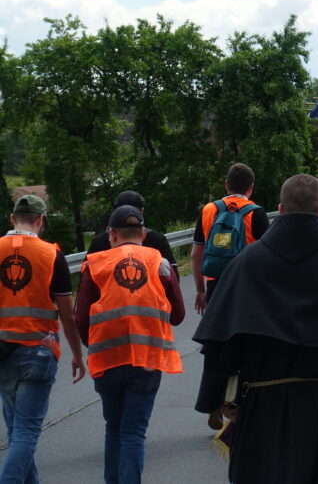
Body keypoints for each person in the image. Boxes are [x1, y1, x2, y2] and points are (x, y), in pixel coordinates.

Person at [194, 174, 318, 483]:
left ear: (280, 210)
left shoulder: (247, 262)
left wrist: (218, 400)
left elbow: (220, 341)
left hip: (262, 410)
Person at [74, 205, 185, 484]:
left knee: (114, 428)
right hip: (147, 360)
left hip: (107, 361)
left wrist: (94, 344)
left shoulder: (96, 264)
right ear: (144, 233)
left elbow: (80, 317)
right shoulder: (157, 262)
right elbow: (178, 314)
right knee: (134, 432)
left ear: (111, 234)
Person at [0, 194, 85, 483]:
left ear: (12, 219)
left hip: (3, 352)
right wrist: (77, 354)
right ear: (41, 221)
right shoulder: (51, 255)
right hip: (38, 351)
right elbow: (67, 313)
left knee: (17, 432)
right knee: (25, 432)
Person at [190, 163, 269, 315]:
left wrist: (201, 290)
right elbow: (267, 258)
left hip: (215, 284)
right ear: (250, 188)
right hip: (247, 285)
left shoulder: (208, 210)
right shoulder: (256, 213)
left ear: (226, 184)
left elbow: (195, 255)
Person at [88, 190, 178, 281]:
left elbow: (87, 282)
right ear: (142, 211)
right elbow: (173, 278)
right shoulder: (157, 239)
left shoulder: (99, 242)